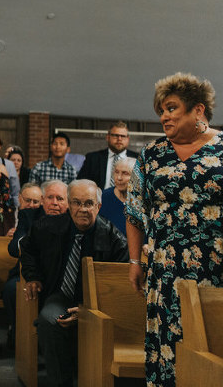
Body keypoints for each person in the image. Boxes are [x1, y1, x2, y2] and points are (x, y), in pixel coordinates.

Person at [125, 72, 223, 387]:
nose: (164, 117)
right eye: (161, 111)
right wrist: (135, 261)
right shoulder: (151, 154)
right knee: (166, 348)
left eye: (171, 108)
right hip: (164, 271)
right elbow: (134, 211)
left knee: (211, 351)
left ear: (198, 109)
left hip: (215, 269)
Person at [22, 179, 128, 387]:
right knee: (49, 319)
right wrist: (32, 276)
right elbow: (27, 249)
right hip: (60, 296)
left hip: (98, 305)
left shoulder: (115, 239)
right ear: (69, 205)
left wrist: (88, 311)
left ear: (98, 206)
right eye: (77, 203)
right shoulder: (47, 227)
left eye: (89, 203)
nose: (82, 209)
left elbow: (119, 287)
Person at [2, 181, 66, 345]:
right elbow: (14, 248)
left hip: (59, 276)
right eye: (50, 198)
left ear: (67, 202)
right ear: (43, 200)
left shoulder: (71, 219)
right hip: (27, 272)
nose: (54, 203)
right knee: (12, 289)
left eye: (60, 198)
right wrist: (33, 241)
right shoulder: (29, 215)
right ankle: (20, 336)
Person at [77, 121, 138, 189]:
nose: (119, 139)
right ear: (108, 137)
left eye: (123, 136)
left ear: (128, 139)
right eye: (116, 135)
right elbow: (81, 183)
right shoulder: (93, 158)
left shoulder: (138, 159)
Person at [98, 157, 135, 236]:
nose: (119, 178)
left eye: (125, 173)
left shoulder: (145, 200)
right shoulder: (102, 198)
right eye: (116, 172)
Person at [0, 133, 20, 208]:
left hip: (4, 207)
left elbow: (15, 192)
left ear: (0, 146)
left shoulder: (9, 164)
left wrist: (17, 209)